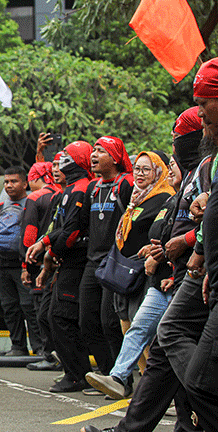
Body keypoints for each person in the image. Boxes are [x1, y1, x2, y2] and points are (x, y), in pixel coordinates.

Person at [80, 57, 218, 432]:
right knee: (162, 348)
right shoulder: (200, 171)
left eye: (204, 107)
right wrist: (194, 250)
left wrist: (192, 245)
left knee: (189, 361)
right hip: (190, 272)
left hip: (188, 273)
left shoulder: (198, 172)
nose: (200, 119)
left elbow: (203, 219)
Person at [86, 152, 181, 399]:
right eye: (136, 168)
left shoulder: (169, 198)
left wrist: (156, 252)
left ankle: (176, 395)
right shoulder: (150, 199)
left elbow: (186, 237)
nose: (139, 174)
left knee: (165, 340)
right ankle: (119, 378)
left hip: (172, 278)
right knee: (137, 329)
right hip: (155, 280)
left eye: (146, 169)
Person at [26, 141, 94, 392]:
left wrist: (49, 249)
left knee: (61, 317)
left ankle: (79, 374)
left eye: (66, 157)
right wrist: (45, 244)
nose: (60, 162)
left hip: (76, 261)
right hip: (62, 260)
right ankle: (72, 369)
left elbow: (71, 231)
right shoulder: (68, 191)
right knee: (50, 315)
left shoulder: (81, 190)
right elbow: (58, 227)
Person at [76, 137, 134, 390]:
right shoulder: (92, 187)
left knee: (111, 322)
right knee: (87, 321)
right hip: (93, 261)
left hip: (116, 261)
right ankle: (107, 374)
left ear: (115, 156)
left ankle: (123, 379)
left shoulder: (126, 184)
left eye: (101, 151)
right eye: (94, 150)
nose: (94, 155)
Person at [0, 166, 42, 356]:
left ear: (25, 183)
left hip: (24, 266)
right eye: (6, 182)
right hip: (1, 265)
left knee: (29, 306)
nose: (9, 185)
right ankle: (18, 346)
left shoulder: (32, 204)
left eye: (13, 181)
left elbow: (33, 236)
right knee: (9, 308)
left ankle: (39, 348)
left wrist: (26, 264)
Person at [21, 161, 63, 370]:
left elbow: (29, 234)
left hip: (41, 261)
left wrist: (26, 265)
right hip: (63, 258)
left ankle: (50, 355)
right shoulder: (64, 193)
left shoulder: (35, 197)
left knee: (43, 311)